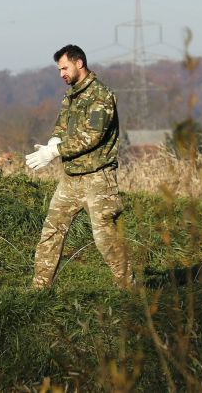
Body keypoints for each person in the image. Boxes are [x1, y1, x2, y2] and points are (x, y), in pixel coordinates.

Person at [26, 44, 133, 289]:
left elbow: (91, 136)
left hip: (98, 178)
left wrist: (55, 152)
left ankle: (129, 288)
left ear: (79, 63)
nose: (61, 73)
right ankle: (39, 289)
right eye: (59, 69)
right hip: (71, 178)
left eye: (64, 67)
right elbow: (62, 126)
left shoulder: (101, 95)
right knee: (51, 232)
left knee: (105, 238)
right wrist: (52, 143)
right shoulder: (71, 95)